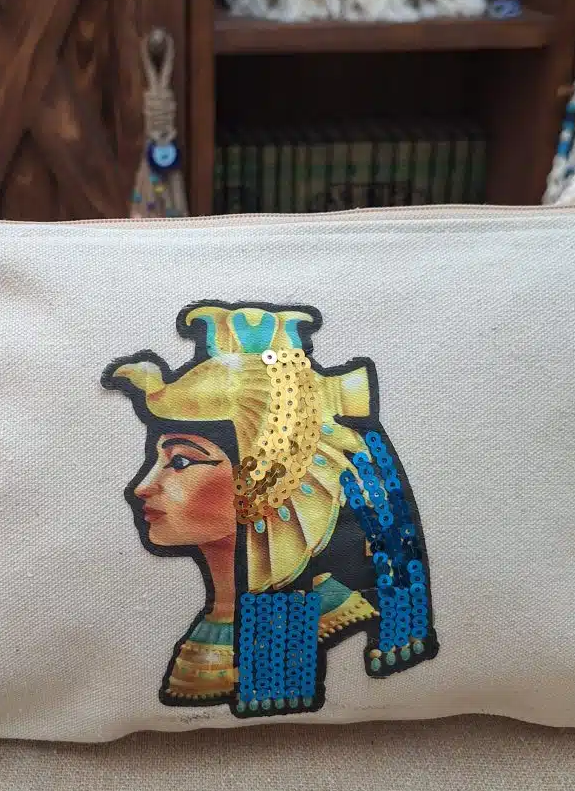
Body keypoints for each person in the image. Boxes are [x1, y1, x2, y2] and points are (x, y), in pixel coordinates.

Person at [103, 302, 436, 718]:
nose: (142, 487)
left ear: (264, 480)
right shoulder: (215, 625)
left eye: (182, 461)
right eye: (157, 461)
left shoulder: (318, 611)